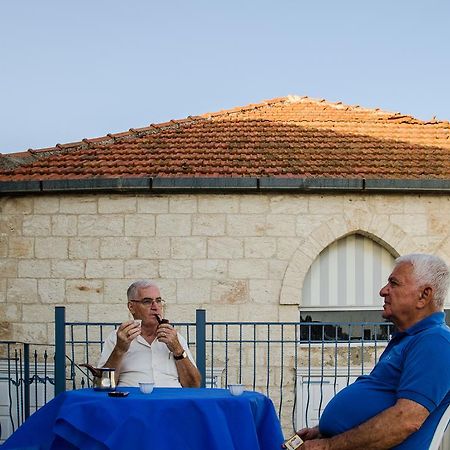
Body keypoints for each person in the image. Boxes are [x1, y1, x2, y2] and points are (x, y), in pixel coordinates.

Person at [296, 253, 450, 449]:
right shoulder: (409, 339)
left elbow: (405, 420)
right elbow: (379, 403)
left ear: (424, 295)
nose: (383, 291)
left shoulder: (436, 341)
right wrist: (321, 431)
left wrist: (328, 445)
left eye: (394, 284)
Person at [97, 279, 201, 388]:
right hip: (132, 402)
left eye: (159, 301)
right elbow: (104, 384)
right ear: (131, 307)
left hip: (171, 402)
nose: (155, 307)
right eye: (147, 301)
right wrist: (119, 350)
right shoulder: (117, 338)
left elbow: (194, 385)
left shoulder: (175, 338)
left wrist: (178, 350)